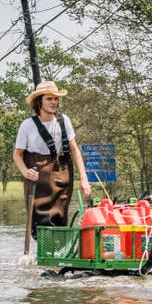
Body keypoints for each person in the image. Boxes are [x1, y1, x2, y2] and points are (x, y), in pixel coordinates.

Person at [13, 80, 92, 238]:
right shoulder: (27, 126)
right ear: (39, 101)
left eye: (56, 99)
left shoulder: (64, 121)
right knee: (40, 224)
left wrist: (84, 179)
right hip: (37, 181)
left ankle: (55, 260)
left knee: (60, 219)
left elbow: (74, 150)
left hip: (60, 176)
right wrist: (25, 172)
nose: (54, 102)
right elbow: (17, 155)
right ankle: (44, 256)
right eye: (49, 99)